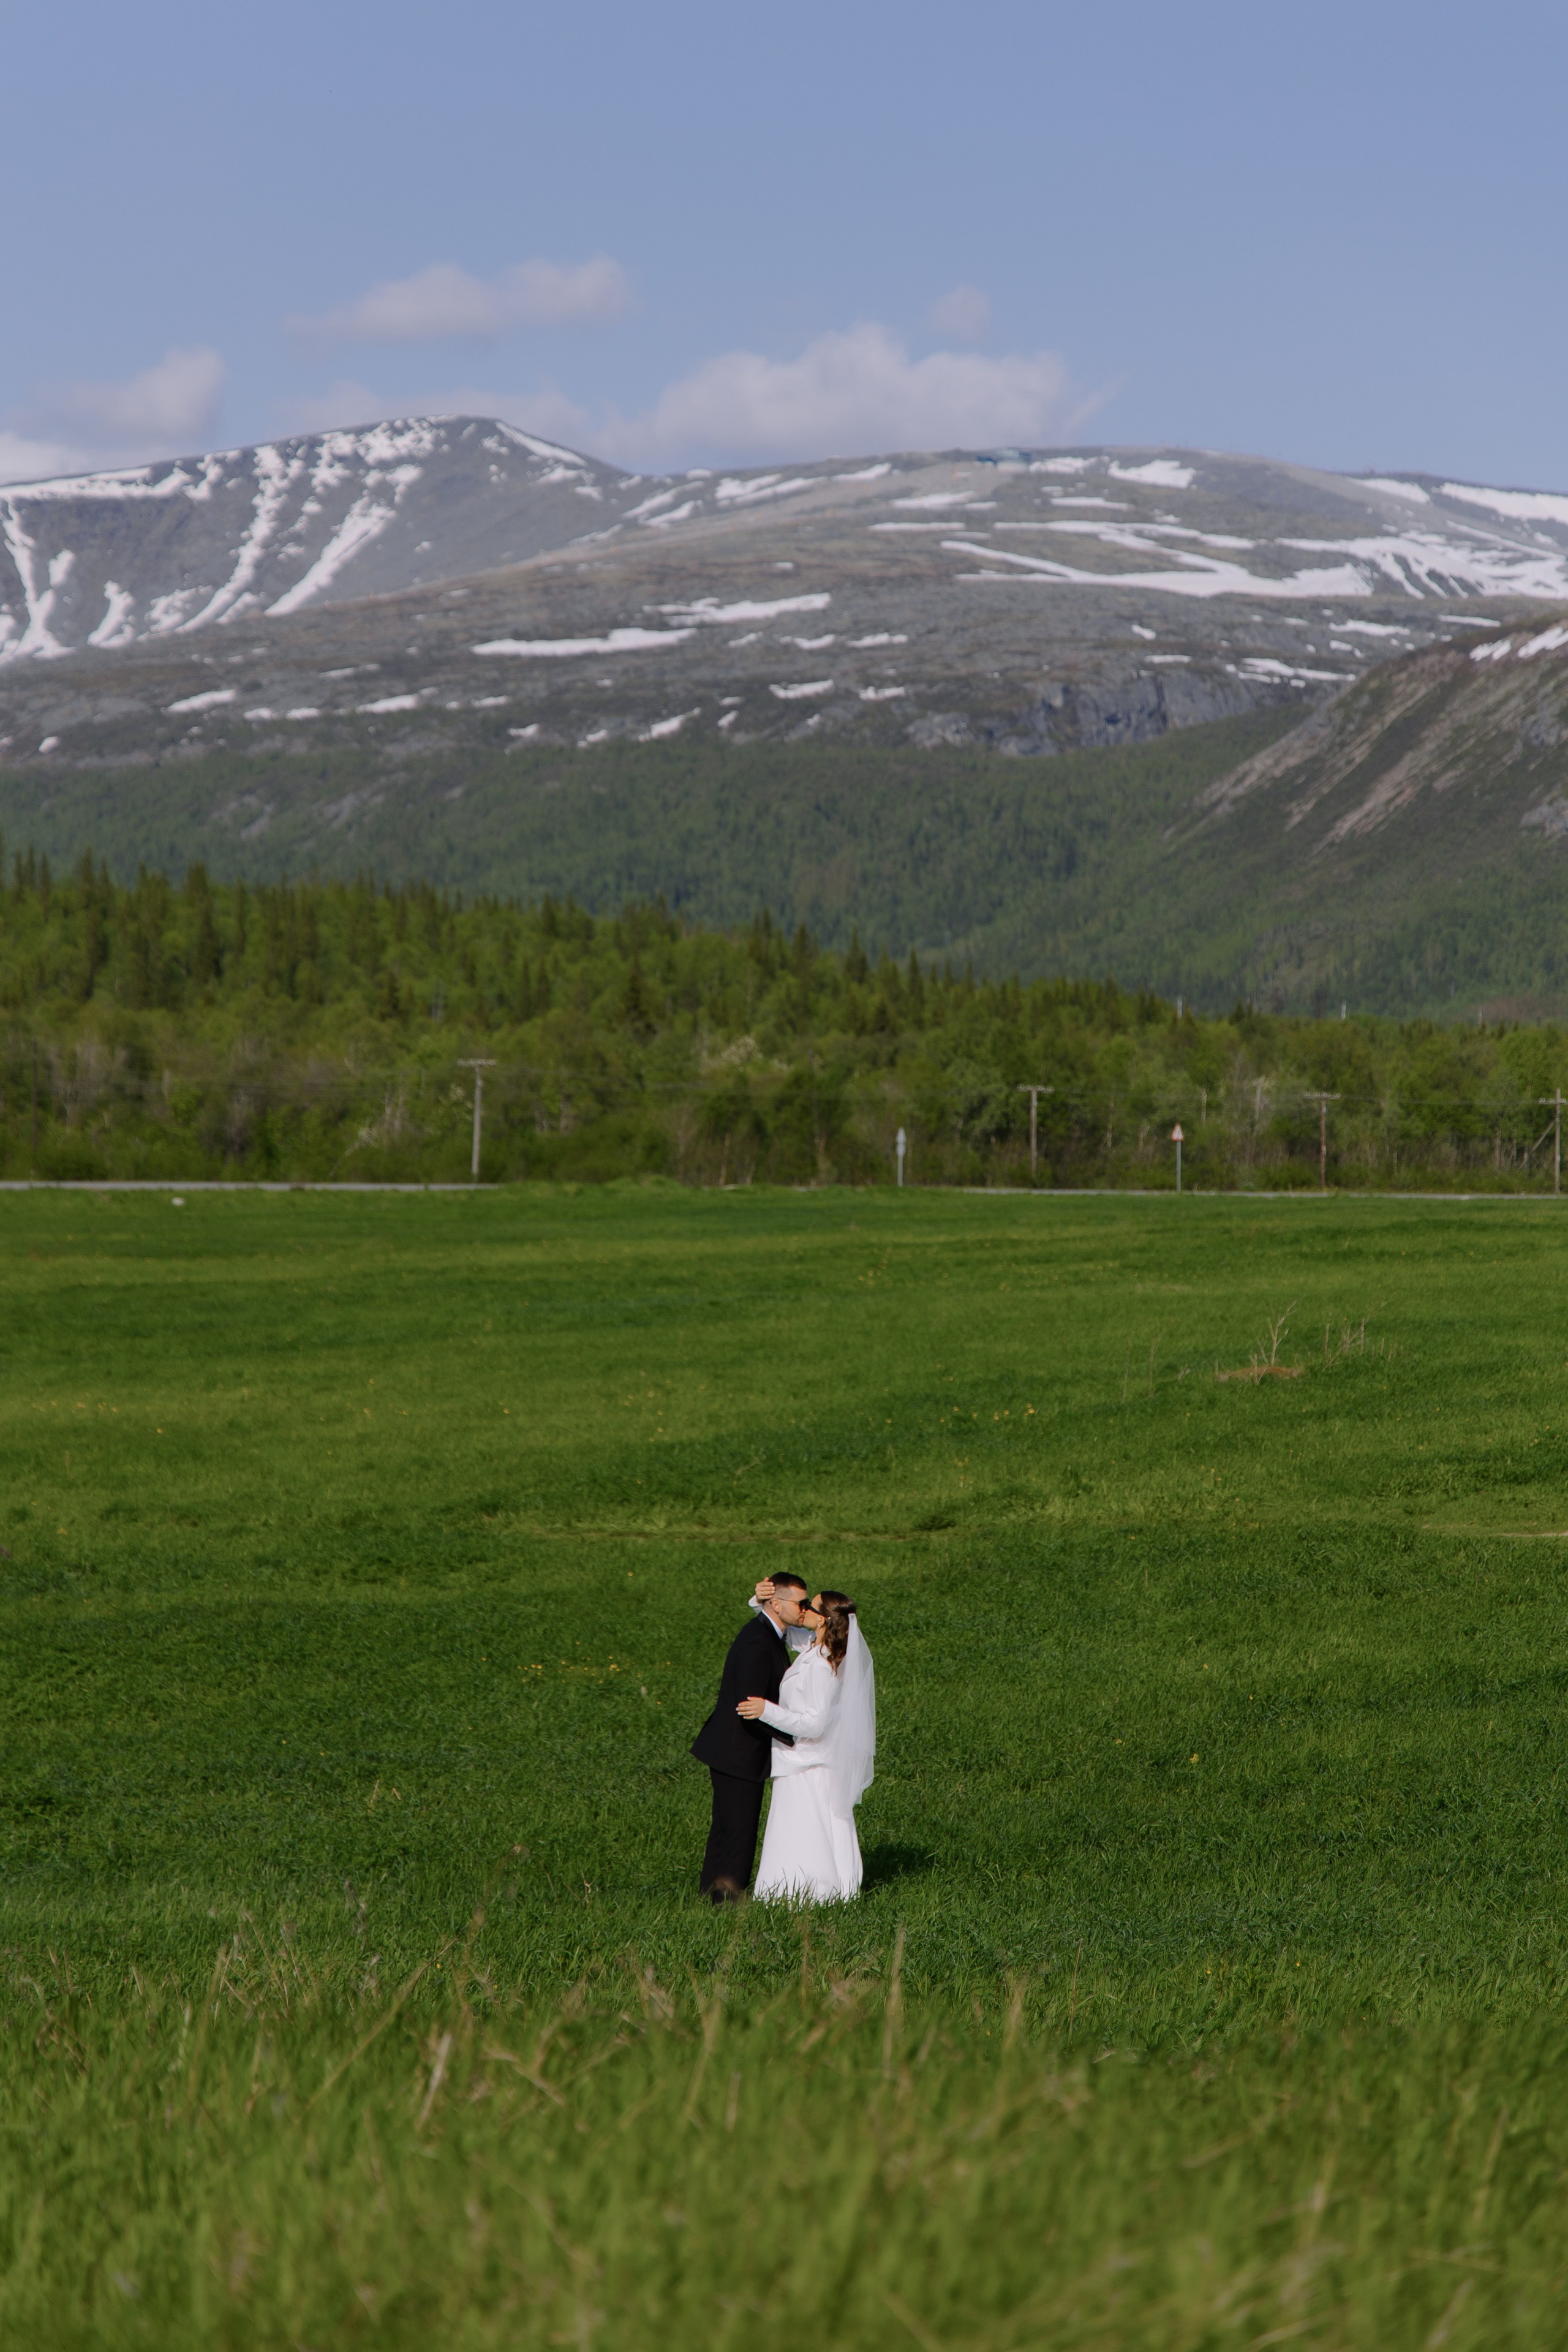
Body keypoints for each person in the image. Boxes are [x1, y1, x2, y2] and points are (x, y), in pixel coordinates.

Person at [737, 1580, 875, 1904]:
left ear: (823, 1620)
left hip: (806, 1762)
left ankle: (809, 1892)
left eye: (809, 1607)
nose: (803, 1611)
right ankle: (795, 1891)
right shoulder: (812, 1647)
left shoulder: (824, 1667)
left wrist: (766, 1710)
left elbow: (814, 1723)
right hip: (799, 1761)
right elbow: (781, 1626)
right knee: (801, 1830)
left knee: (804, 1831)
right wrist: (761, 1601)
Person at [690, 1570, 812, 1902]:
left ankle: (710, 1899)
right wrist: (793, 1738)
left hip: (733, 1750)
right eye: (801, 1603)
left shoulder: (770, 1633)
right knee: (738, 1833)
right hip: (738, 1752)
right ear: (776, 1603)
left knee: (727, 1829)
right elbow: (749, 1706)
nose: (804, 1610)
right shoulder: (758, 1641)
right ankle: (725, 1903)